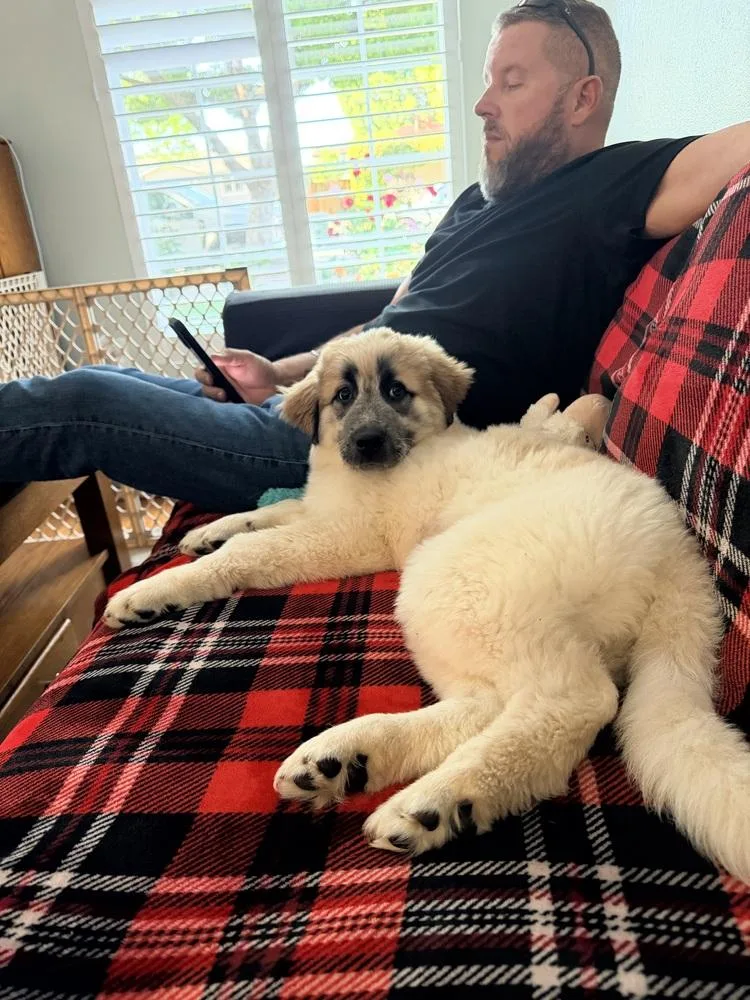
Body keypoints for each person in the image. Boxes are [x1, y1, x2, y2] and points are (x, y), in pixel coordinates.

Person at [2, 0, 749, 513]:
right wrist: (281, 374)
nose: (485, 104)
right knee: (108, 373)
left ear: (583, 100)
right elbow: (389, 323)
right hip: (320, 407)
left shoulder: (612, 186)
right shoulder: (477, 204)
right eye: (489, 81)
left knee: (79, 405)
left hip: (372, 449)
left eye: (513, 83)